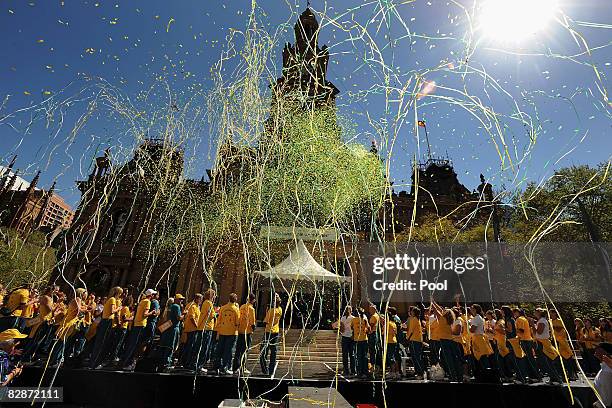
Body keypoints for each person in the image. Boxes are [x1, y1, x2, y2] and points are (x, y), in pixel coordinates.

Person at [49, 288, 88, 367]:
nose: (86, 295)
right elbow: (78, 311)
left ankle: (57, 360)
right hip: (69, 323)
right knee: (61, 343)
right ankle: (54, 361)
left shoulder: (76, 300)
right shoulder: (78, 299)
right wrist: (86, 310)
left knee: (62, 343)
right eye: (84, 293)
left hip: (69, 322)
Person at [121, 289, 157, 369]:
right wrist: (152, 312)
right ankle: (128, 364)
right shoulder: (148, 302)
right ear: (151, 295)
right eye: (153, 295)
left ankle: (126, 362)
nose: (154, 296)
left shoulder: (142, 301)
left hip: (136, 324)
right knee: (136, 345)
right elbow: (145, 314)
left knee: (132, 344)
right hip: (141, 324)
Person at [90, 286, 123, 369]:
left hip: (106, 322)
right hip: (107, 322)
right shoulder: (112, 299)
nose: (120, 295)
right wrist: (119, 308)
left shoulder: (110, 299)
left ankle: (94, 363)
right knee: (101, 343)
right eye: (120, 293)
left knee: (101, 342)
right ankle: (95, 364)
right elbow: (112, 311)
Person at [431, 301, 462, 382]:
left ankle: (453, 376)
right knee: (454, 359)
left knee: (449, 360)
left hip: (444, 341)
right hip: (451, 340)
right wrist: (433, 302)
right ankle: (458, 376)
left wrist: (432, 303)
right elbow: (439, 310)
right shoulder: (451, 320)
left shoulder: (442, 319)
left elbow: (436, 310)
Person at [190, 288, 216, 372]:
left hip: (202, 327)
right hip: (207, 328)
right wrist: (216, 313)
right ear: (211, 296)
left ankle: (194, 364)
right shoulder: (209, 303)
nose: (215, 297)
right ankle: (199, 365)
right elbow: (211, 315)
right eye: (214, 295)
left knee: (199, 346)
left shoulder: (205, 302)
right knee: (204, 347)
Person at [214, 293, 240, 375]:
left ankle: (216, 367)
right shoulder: (236, 309)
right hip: (231, 332)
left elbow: (219, 319)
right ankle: (225, 367)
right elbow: (237, 322)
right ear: (235, 300)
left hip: (222, 331)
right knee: (228, 351)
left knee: (220, 349)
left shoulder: (223, 308)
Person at [533, 308, 562, 383]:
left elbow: (539, 332)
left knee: (547, 362)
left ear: (539, 313)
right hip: (542, 342)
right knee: (547, 361)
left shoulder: (542, 321)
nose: (534, 313)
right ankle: (554, 378)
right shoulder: (541, 320)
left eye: (536, 312)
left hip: (543, 343)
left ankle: (556, 378)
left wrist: (532, 325)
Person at [158, 294, 185, 369]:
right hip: (173, 328)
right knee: (170, 346)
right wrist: (184, 314)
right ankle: (167, 362)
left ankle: (162, 361)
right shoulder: (176, 306)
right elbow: (179, 318)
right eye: (180, 299)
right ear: (176, 300)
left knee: (164, 345)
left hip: (168, 327)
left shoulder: (170, 307)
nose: (181, 301)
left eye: (182, 299)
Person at [549, 309, 577, 380]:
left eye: (552, 313)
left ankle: (572, 374)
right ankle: (563, 374)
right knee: (558, 359)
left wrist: (553, 327)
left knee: (567, 359)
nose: (551, 315)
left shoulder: (559, 320)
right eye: (550, 313)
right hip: (555, 342)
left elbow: (560, 329)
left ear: (555, 313)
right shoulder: (550, 321)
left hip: (562, 342)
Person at [514, 308, 541, 381]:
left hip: (525, 340)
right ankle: (533, 376)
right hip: (527, 340)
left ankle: (536, 376)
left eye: (515, 312)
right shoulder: (524, 319)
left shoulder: (519, 319)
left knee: (529, 359)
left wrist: (513, 329)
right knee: (528, 359)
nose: (514, 314)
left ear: (518, 313)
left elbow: (521, 330)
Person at [260, 293, 282, 377]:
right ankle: (271, 370)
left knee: (263, 351)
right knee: (273, 352)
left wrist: (267, 311)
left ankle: (264, 369)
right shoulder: (280, 309)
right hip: (276, 332)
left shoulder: (271, 311)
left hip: (269, 332)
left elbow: (266, 321)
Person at [233, 293, 256, 374]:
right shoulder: (251, 309)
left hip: (240, 330)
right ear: (253, 300)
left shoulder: (242, 306)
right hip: (247, 332)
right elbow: (252, 322)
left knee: (238, 350)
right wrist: (253, 330)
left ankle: (235, 367)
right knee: (245, 350)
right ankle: (243, 367)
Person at [179, 293, 202, 368]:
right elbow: (192, 318)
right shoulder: (193, 306)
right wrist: (197, 326)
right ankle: (186, 362)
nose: (201, 301)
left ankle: (184, 361)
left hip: (190, 329)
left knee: (187, 345)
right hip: (192, 329)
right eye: (200, 299)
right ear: (197, 299)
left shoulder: (194, 306)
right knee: (190, 346)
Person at [469, 304, 493, 371]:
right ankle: (485, 372)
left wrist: (468, 326)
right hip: (480, 338)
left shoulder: (476, 318)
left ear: (475, 310)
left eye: (472, 308)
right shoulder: (478, 317)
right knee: (482, 357)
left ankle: (485, 373)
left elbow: (472, 330)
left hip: (478, 339)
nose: (470, 310)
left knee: (481, 357)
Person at [406, 306, 424, 378]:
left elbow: (411, 331)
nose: (411, 312)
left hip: (414, 340)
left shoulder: (414, 319)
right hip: (417, 340)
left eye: (412, 311)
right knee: (415, 357)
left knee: (416, 357)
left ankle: (420, 373)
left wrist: (408, 339)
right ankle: (418, 372)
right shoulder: (417, 319)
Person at [351, 307, 369, 379]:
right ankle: (365, 372)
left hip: (357, 340)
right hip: (364, 339)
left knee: (358, 356)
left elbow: (351, 327)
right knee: (364, 356)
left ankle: (359, 372)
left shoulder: (354, 320)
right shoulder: (365, 319)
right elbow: (368, 328)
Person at [593, 342, 612, 408]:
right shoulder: (604, 368)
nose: (595, 349)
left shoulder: (608, 372)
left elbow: (607, 399)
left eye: (598, 348)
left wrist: (599, 405)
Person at [339, 306, 356, 377]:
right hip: (344, 337)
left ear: (351, 310)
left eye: (349, 309)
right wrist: (340, 329)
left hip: (351, 337)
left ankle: (353, 370)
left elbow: (355, 328)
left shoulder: (353, 318)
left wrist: (353, 335)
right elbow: (341, 328)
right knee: (345, 354)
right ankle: (346, 370)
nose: (347, 311)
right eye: (346, 309)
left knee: (352, 354)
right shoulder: (342, 318)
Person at [384, 307, 399, 379]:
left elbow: (384, 333)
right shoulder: (393, 323)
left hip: (389, 342)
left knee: (390, 358)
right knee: (393, 357)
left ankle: (393, 372)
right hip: (394, 341)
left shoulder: (387, 324)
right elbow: (395, 332)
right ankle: (396, 372)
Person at [367, 304, 382, 374]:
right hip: (376, 334)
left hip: (372, 335)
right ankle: (377, 366)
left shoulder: (373, 317)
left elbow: (370, 327)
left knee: (372, 351)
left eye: (370, 309)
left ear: (374, 310)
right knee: (375, 351)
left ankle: (374, 367)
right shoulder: (377, 316)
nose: (369, 311)